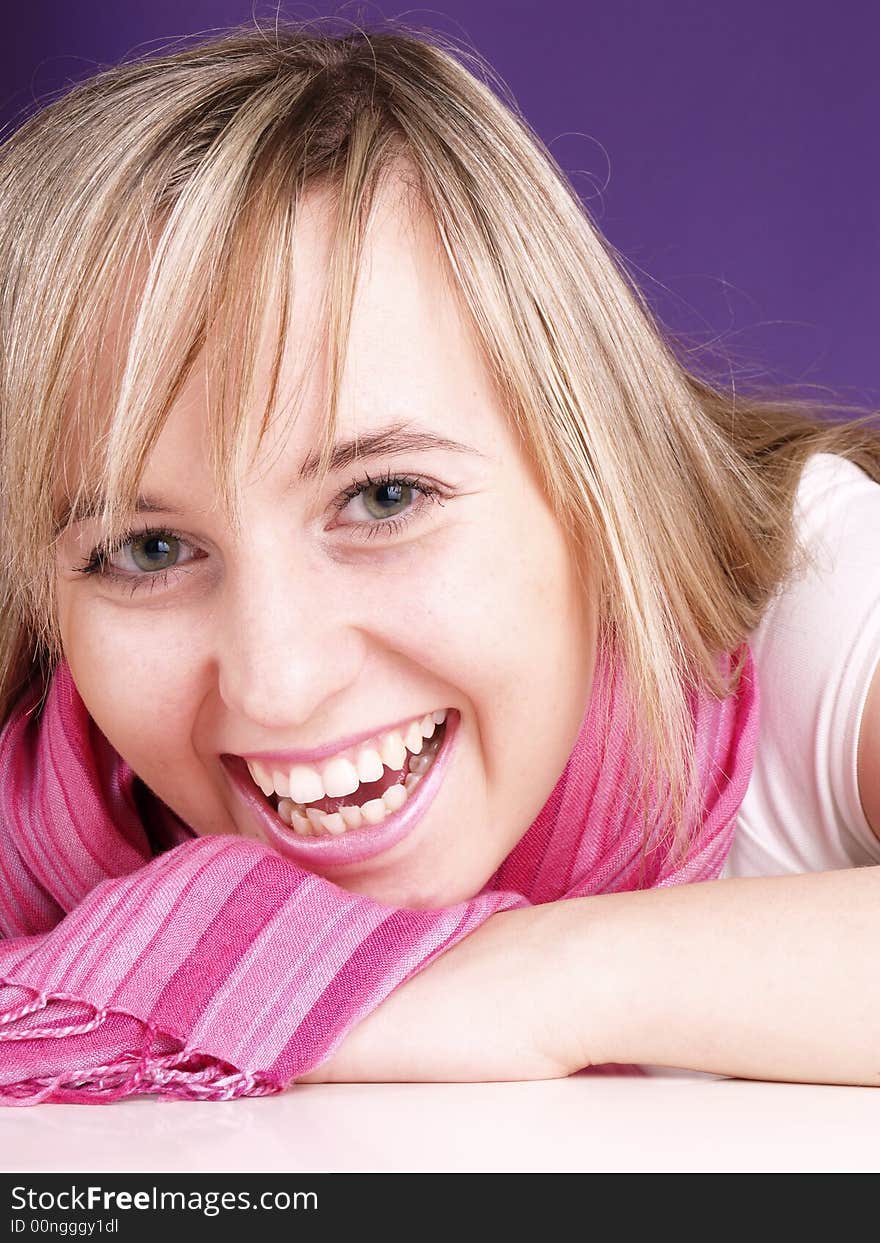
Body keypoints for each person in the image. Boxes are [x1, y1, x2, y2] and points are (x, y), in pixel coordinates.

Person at [0, 20, 878, 1103]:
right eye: (148, 548)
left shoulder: (821, 595)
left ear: (588, 467)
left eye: (383, 497)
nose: (278, 687)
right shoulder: (45, 767)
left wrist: (541, 977)